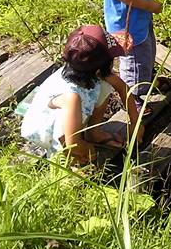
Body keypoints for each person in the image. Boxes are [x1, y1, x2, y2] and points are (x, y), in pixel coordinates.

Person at [20, 25, 141, 162]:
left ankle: (93, 133)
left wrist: (136, 124)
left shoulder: (85, 71)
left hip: (70, 113)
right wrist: (89, 150)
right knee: (82, 153)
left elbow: (123, 88)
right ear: (99, 69)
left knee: (105, 86)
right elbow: (73, 144)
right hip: (47, 128)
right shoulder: (71, 97)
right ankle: (66, 160)